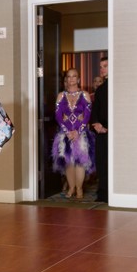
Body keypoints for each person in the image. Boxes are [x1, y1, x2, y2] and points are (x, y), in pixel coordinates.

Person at [52, 68, 95, 199]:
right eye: (69, 76)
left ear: (78, 79)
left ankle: (79, 188)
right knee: (68, 162)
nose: (71, 79)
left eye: (74, 76)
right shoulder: (61, 96)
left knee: (80, 162)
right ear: (66, 79)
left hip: (81, 134)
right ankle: (71, 188)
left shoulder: (85, 95)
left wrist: (78, 131)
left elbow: (87, 116)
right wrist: (67, 132)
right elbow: (58, 116)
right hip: (65, 134)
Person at [91, 57, 109, 203]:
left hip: (113, 132)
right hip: (101, 132)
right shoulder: (100, 90)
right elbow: (95, 111)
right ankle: (103, 193)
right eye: (101, 66)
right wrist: (97, 124)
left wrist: (109, 128)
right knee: (101, 162)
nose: (102, 69)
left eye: (105, 66)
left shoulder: (118, 87)